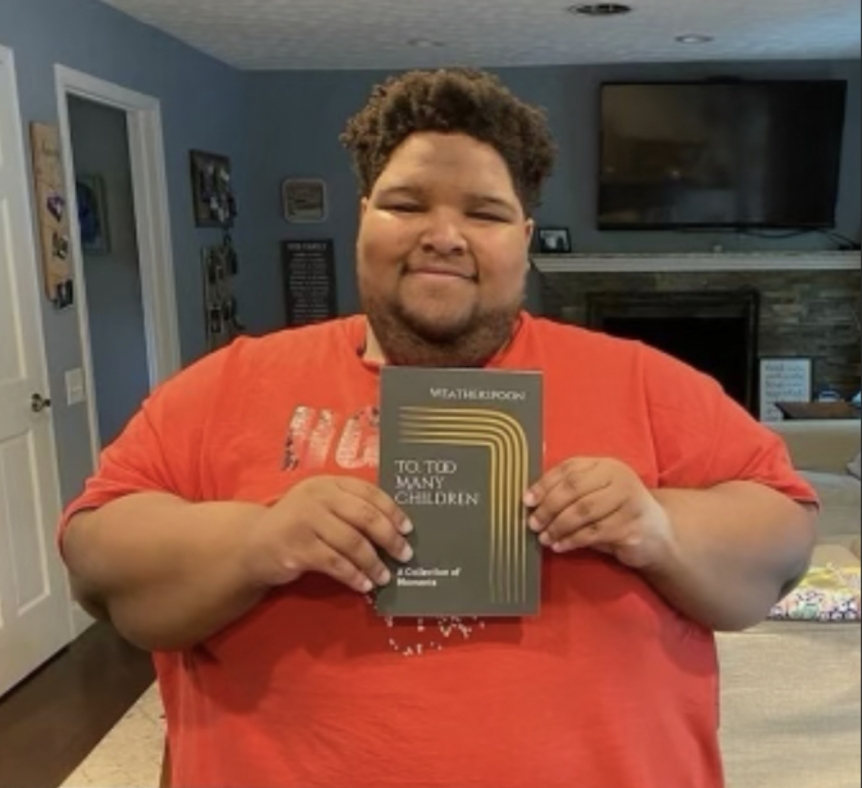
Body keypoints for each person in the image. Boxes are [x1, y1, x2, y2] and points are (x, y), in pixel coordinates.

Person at [59, 67, 817, 788]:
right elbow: (98, 561)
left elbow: (783, 540)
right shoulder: (228, 384)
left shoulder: (647, 382)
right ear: (363, 220)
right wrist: (258, 541)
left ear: (524, 235)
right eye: (407, 204)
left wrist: (658, 524)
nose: (444, 234)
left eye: (483, 213)